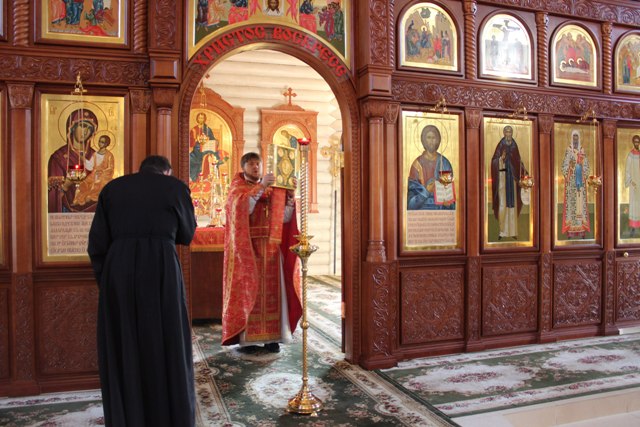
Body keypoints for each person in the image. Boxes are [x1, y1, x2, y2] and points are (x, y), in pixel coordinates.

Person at [88, 155, 197, 427]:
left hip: (118, 269)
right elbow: (187, 234)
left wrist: (109, 283)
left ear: (140, 170)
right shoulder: (175, 187)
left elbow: (97, 244)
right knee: (166, 340)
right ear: (166, 171)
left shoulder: (112, 189)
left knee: (125, 342)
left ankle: (129, 417)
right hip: (161, 268)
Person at [222, 152, 302, 353]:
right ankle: (248, 340)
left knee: (274, 295)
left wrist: (289, 195)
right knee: (251, 294)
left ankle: (273, 338)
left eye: (258, 163)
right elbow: (243, 209)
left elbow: (285, 218)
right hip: (248, 250)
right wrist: (262, 186)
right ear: (243, 167)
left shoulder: (272, 190)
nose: (256, 167)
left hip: (271, 249)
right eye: (251, 164)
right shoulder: (237, 188)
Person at [47, 108, 98, 213]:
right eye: (82, 126)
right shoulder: (58, 157)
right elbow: (53, 194)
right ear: (72, 128)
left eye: (89, 128)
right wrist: (67, 184)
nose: (85, 131)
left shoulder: (96, 156)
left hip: (93, 211)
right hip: (67, 211)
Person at [491, 125, 527, 240]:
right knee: (503, 204)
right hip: (502, 179)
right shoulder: (501, 145)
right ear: (503, 133)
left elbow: (518, 161)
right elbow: (494, 161)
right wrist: (501, 159)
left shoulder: (514, 145)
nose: (508, 134)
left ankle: (513, 232)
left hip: (513, 180)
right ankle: (502, 232)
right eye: (506, 132)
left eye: (510, 132)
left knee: (513, 205)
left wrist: (525, 174)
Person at [407, 125, 455, 210]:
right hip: (422, 213)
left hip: (441, 212)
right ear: (424, 140)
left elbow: (449, 196)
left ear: (438, 140)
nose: (431, 141)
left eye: (434, 138)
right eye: (428, 137)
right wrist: (426, 191)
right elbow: (411, 204)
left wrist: (448, 202)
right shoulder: (417, 165)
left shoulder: (444, 163)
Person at [561, 130, 590, 238]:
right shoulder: (568, 150)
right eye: (574, 137)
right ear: (571, 138)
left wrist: (581, 166)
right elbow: (564, 166)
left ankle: (581, 230)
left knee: (580, 205)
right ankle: (571, 231)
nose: (575, 140)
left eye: (577, 137)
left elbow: (586, 166)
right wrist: (570, 166)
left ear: (579, 138)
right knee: (572, 204)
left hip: (580, 181)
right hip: (571, 182)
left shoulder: (582, 150)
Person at [74, 134, 115, 206]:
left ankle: (89, 197)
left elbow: (111, 168)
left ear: (106, 144)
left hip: (103, 177)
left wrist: (102, 172)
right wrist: (83, 158)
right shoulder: (95, 154)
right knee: (82, 185)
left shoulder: (109, 155)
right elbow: (90, 166)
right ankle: (78, 201)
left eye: (102, 142)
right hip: (93, 175)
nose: (100, 143)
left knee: (95, 186)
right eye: (99, 141)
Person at [625, 135, 640, 236]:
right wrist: (631, 180)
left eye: (638, 142)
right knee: (634, 206)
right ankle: (633, 228)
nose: (636, 143)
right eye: (635, 142)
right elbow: (627, 170)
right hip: (634, 184)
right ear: (633, 142)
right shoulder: (630, 155)